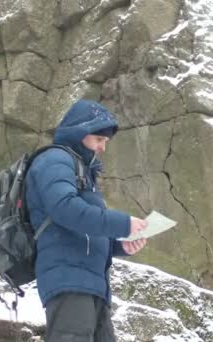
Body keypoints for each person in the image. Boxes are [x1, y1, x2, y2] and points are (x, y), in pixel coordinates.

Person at [25, 99, 148, 341]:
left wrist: (120, 245)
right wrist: (124, 223)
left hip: (92, 284)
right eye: (99, 139)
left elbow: (85, 231)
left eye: (105, 141)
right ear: (80, 132)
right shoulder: (55, 159)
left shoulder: (82, 171)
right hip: (68, 279)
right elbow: (64, 208)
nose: (103, 147)